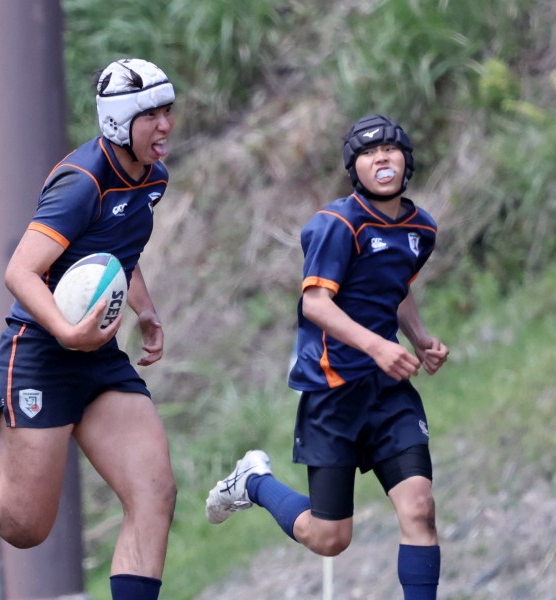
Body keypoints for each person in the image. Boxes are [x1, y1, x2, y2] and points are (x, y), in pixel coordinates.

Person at [0, 58, 178, 600]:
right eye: (150, 115)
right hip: (39, 355)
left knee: (153, 493)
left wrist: (145, 311)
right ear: (118, 121)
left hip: (98, 356)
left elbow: (116, 253)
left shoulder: (152, 178)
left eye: (168, 111)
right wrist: (66, 332)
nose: (165, 125)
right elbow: (20, 271)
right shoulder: (81, 183)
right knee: (24, 526)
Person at [205, 114, 449, 600]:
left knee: (420, 509)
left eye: (390, 149)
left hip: (388, 392)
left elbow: (397, 285)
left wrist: (419, 337)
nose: (381, 158)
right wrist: (378, 345)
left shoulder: (421, 228)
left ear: (407, 160)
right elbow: (316, 303)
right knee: (330, 538)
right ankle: (254, 482)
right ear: (354, 169)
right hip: (333, 393)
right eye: (368, 152)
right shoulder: (337, 225)